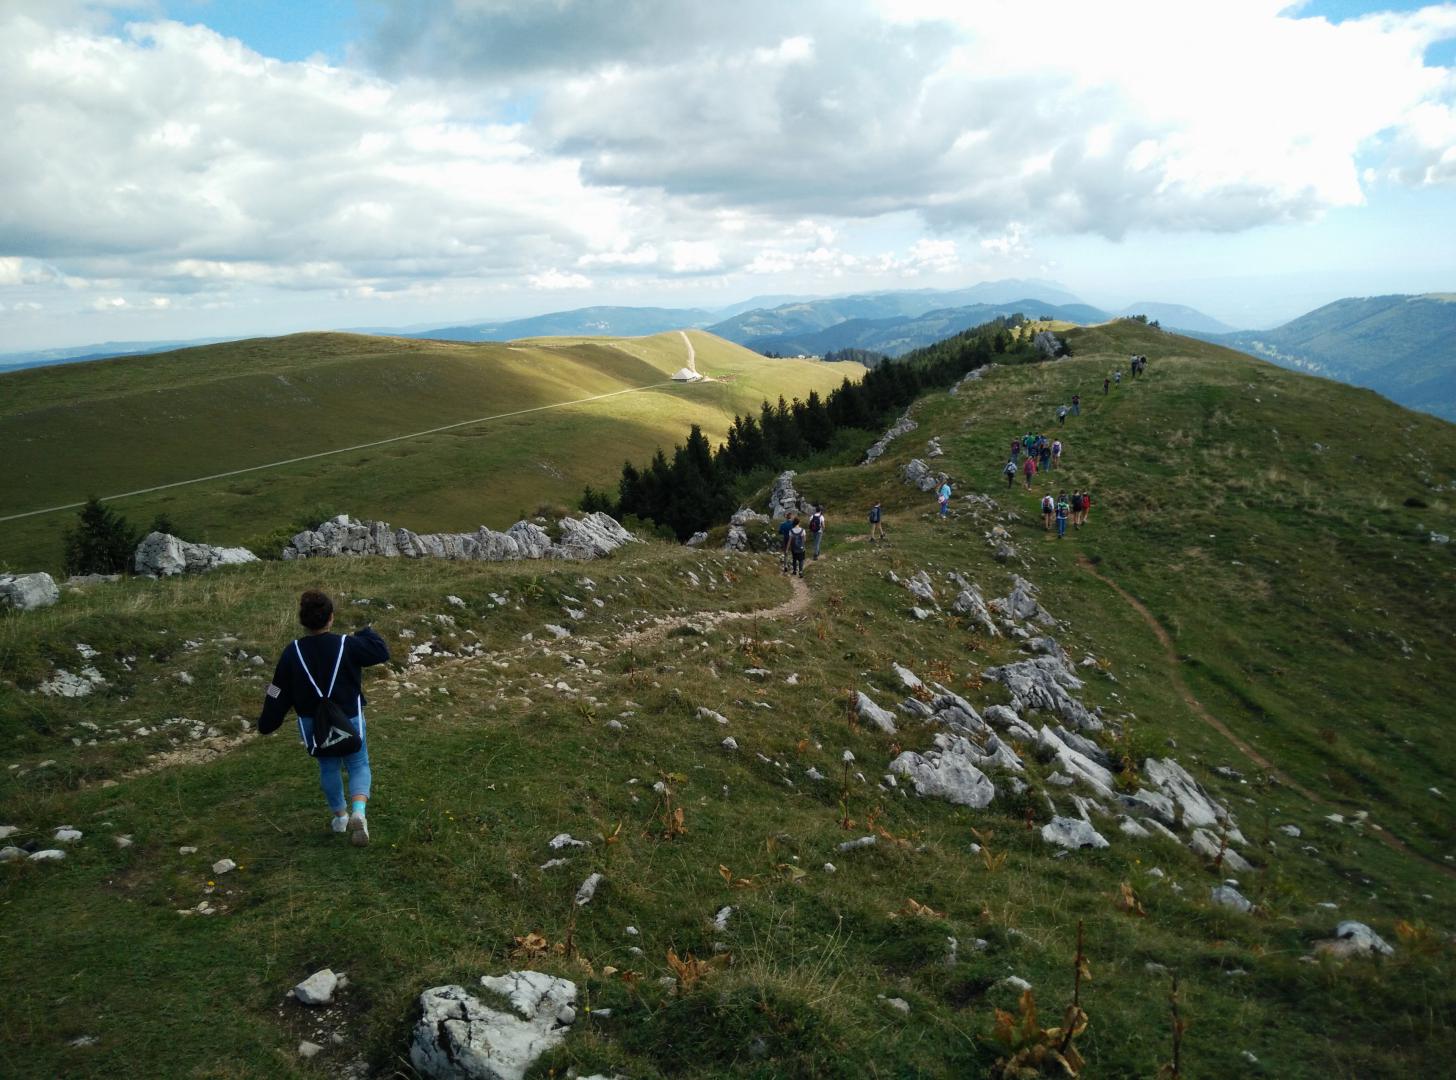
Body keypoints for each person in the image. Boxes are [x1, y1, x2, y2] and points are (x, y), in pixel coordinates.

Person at [257, 590, 390, 846]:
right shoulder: (346, 644)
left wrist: (266, 719)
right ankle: (359, 812)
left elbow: (278, 690)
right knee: (358, 764)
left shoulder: (292, 651)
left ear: (303, 621)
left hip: (312, 722)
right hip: (349, 718)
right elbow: (381, 651)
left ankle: (340, 817)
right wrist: (365, 631)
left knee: (328, 767)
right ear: (331, 617)